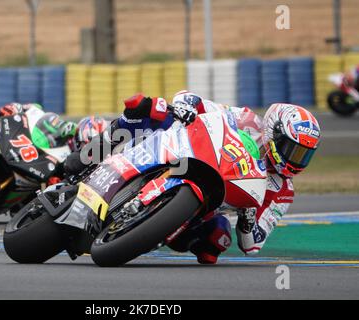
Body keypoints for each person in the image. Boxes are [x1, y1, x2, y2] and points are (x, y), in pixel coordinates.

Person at [100, 91, 321, 264]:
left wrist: (248, 219)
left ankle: (150, 228)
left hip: (206, 204)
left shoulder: (283, 192)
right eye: (292, 149)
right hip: (190, 152)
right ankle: (99, 150)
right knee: (154, 113)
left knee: (218, 238)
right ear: (274, 132)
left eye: (303, 155)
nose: (295, 160)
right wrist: (187, 106)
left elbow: (252, 244)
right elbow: (194, 99)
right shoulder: (248, 120)